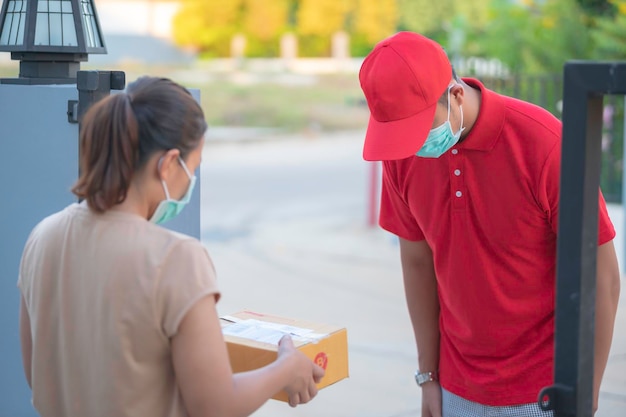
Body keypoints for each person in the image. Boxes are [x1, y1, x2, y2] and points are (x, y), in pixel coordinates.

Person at [18, 76, 325, 417]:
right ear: (167, 164)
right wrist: (285, 367)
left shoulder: (43, 238)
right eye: (192, 169)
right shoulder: (176, 258)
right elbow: (215, 406)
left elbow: (38, 375)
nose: (189, 184)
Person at [359, 32, 621, 417]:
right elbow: (416, 261)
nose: (412, 146)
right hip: (456, 388)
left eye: (418, 128)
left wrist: (586, 392)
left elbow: (603, 276)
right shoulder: (401, 154)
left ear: (456, 95)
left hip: (543, 393)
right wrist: (428, 376)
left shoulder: (544, 145)